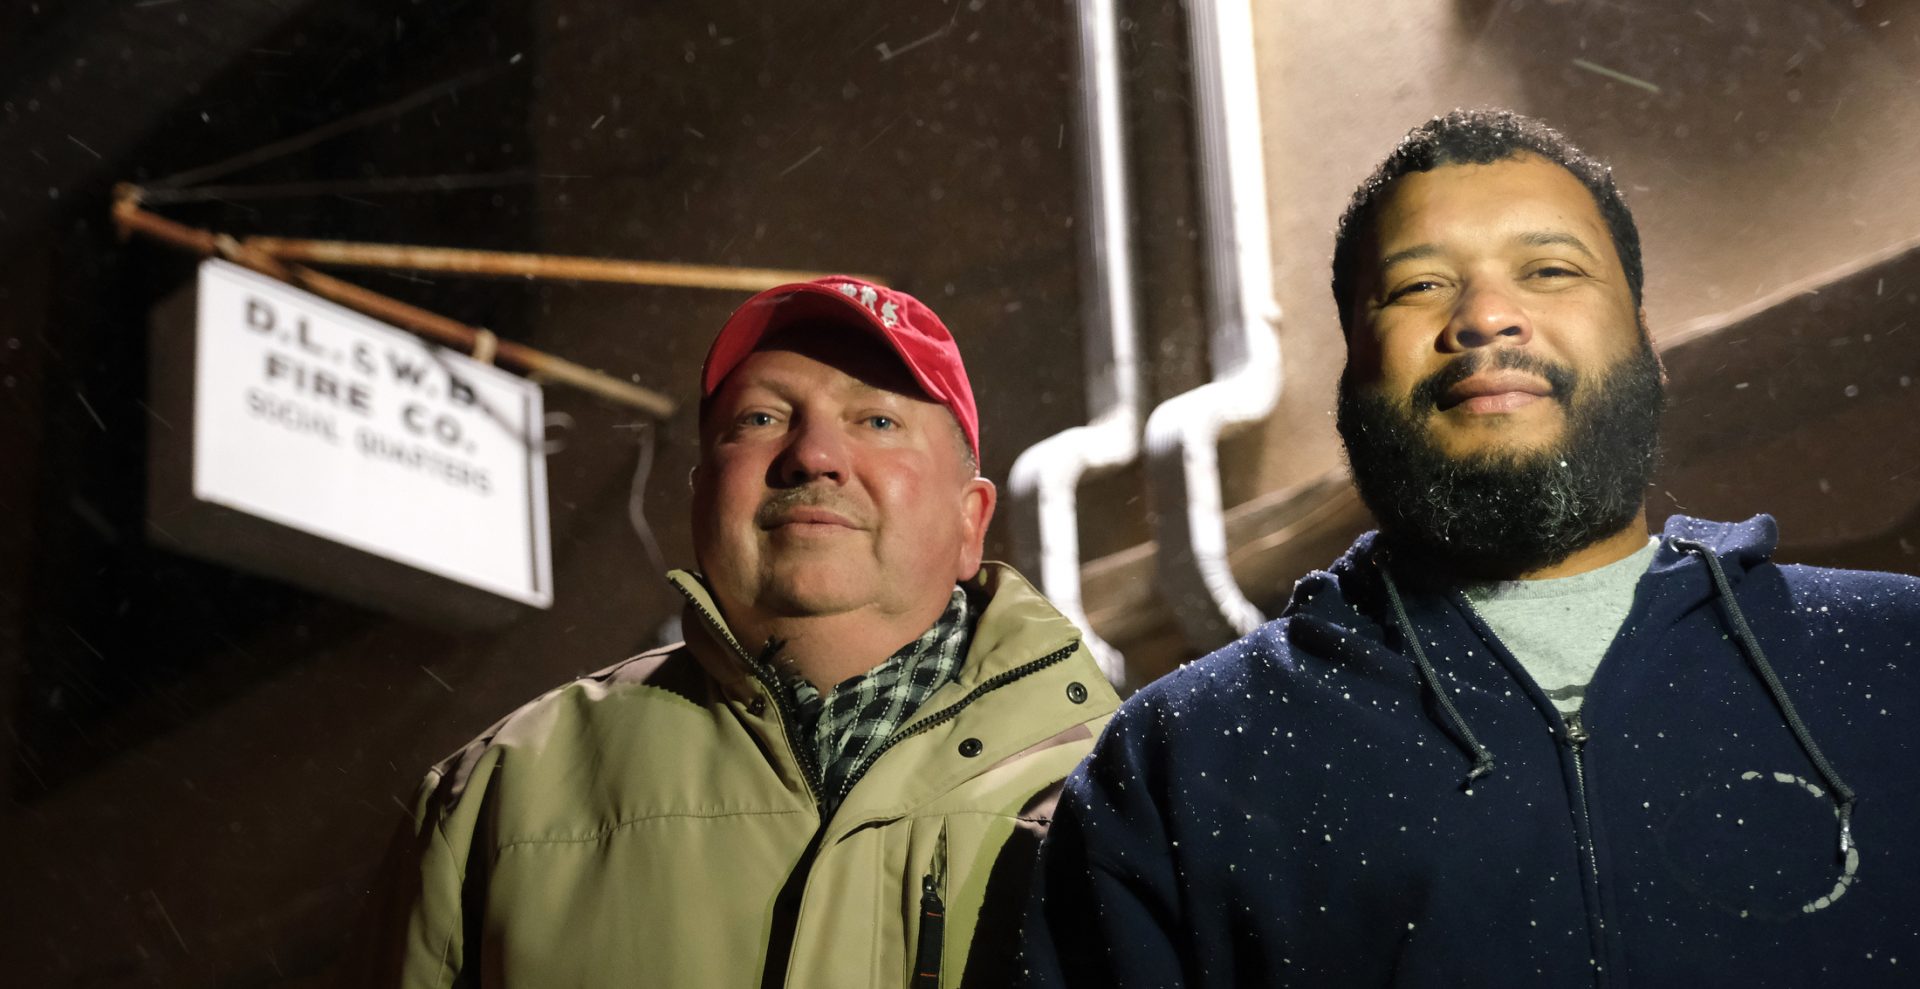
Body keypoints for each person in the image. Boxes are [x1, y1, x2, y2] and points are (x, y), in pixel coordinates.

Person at [1018, 108, 1920, 987]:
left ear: (1648, 347)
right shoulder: (1183, 758)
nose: (1487, 316)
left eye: (1552, 269)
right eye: (1418, 286)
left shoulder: (1895, 660)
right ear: (1354, 371)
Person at [358, 276, 1119, 987]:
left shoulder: (1121, 790)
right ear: (700, 500)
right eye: (761, 418)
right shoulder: (496, 798)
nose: (813, 456)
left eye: (877, 419)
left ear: (969, 521)